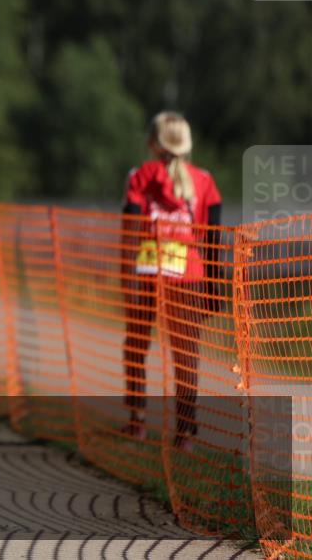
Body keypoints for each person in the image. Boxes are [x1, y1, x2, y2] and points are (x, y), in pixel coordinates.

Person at [120, 112, 222, 453]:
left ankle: (136, 422)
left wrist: (125, 276)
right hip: (189, 277)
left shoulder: (140, 176)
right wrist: (213, 287)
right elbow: (212, 240)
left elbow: (130, 230)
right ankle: (186, 434)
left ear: (153, 143)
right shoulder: (205, 180)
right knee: (187, 354)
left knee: (136, 344)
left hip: (146, 273)